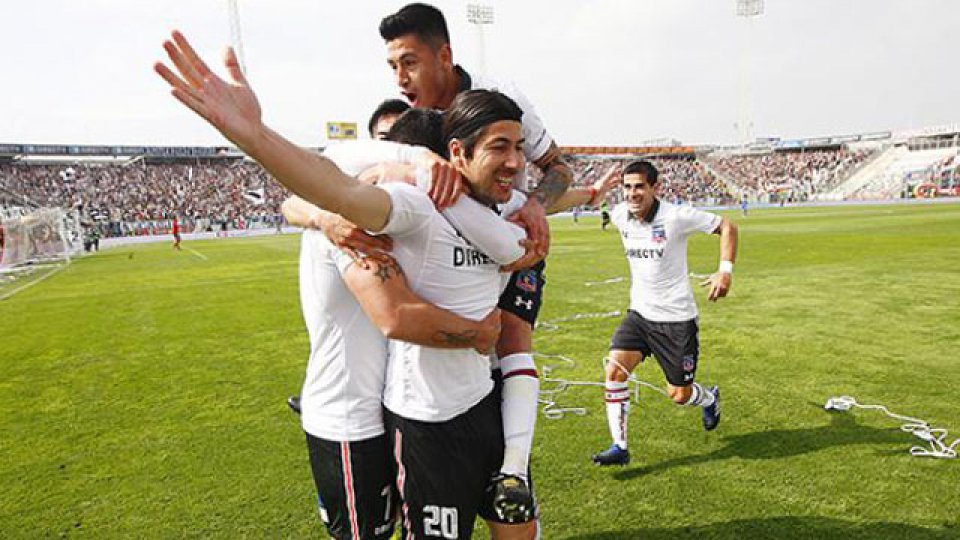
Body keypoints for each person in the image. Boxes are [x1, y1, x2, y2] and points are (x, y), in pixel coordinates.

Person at [154, 34, 536, 537]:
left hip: (406, 408)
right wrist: (255, 137)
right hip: (349, 418)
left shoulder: (453, 213)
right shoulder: (362, 220)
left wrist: (533, 203)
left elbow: (509, 228)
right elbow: (394, 315)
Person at [377, 2, 573, 503]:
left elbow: (559, 168)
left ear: (444, 55)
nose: (400, 77)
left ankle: (514, 474)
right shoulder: (406, 120)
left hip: (508, 243)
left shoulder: (501, 97)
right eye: (392, 66)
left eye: (409, 62)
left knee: (508, 336)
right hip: (436, 251)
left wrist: (534, 203)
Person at [591, 160, 738, 466]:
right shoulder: (620, 215)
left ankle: (708, 398)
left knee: (679, 396)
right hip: (639, 316)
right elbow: (594, 201)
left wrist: (724, 271)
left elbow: (727, 227)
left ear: (655, 188)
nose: (633, 194)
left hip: (676, 320)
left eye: (639, 187)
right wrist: (594, 191)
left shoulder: (676, 216)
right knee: (614, 372)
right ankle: (620, 446)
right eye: (628, 187)